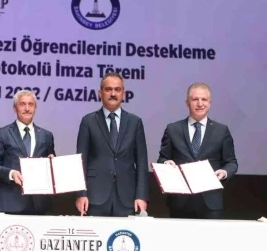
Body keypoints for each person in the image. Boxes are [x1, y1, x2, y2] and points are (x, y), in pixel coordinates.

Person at [156, 82, 238, 219]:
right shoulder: (173, 129)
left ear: (210, 103)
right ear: (187, 103)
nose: (200, 104)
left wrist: (224, 172)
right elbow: (162, 158)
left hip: (211, 202)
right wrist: (166, 164)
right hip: (179, 201)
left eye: (204, 99)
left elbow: (231, 162)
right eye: (195, 99)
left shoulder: (222, 130)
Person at [75, 72, 149, 216]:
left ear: (123, 94)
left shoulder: (135, 122)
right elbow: (81, 161)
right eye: (108, 89)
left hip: (127, 197)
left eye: (117, 89)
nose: (113, 93)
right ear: (100, 93)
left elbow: (141, 161)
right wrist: (81, 194)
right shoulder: (88, 121)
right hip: (95, 196)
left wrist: (141, 195)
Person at [0, 90, 56, 214]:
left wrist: (53, 162)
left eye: (31, 104)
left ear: (35, 108)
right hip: (10, 202)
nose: (27, 108)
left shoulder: (46, 135)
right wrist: (11, 173)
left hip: (40, 204)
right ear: (15, 108)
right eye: (22, 104)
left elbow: (50, 161)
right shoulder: (2, 134)